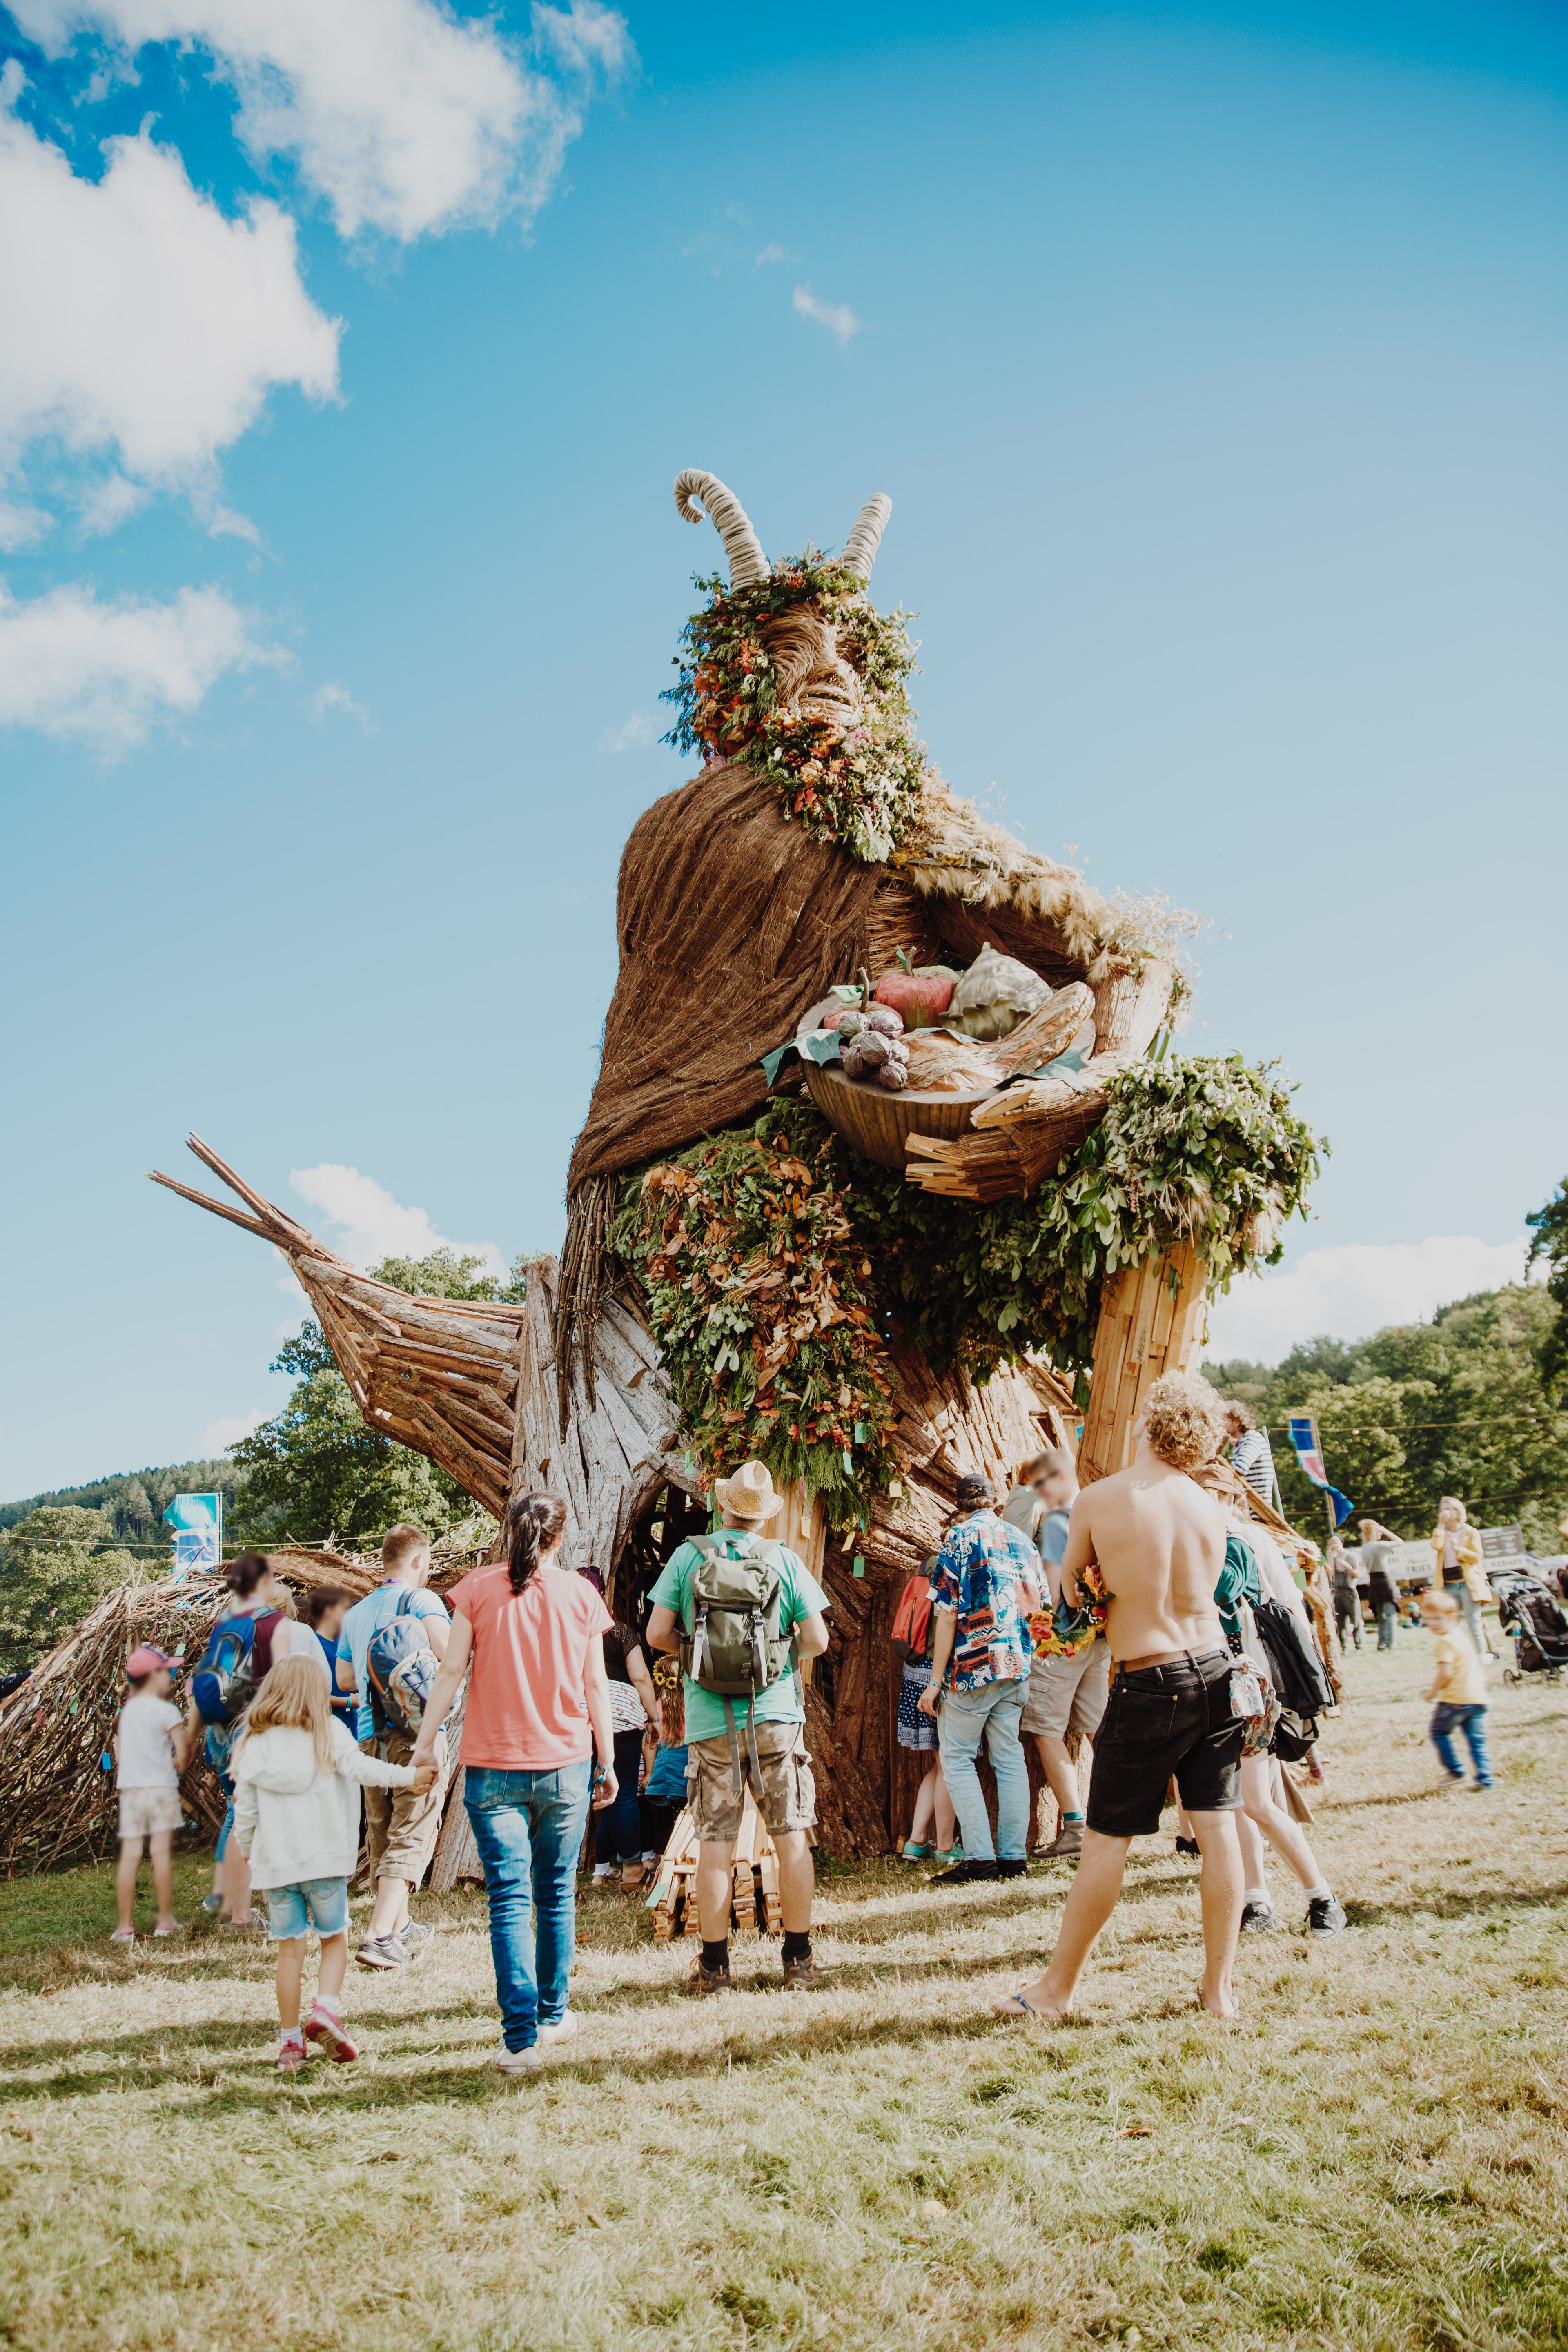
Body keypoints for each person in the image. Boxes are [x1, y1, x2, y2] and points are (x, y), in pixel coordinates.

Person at [993, 1372, 1247, 2024]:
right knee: (1219, 1831)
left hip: (1151, 1679)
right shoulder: (1206, 1504)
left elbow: (1074, 1596)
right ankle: (1219, 1993)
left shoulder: (1100, 1499)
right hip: (1217, 1671)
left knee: (1107, 1842)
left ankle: (1055, 1992)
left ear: (1148, 1422)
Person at [412, 1493, 617, 2070]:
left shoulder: (476, 1588)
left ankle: (519, 2040)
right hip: (565, 1763)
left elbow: (451, 1670)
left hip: (493, 1767)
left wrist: (428, 1740)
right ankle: (552, 2015)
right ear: (559, 1538)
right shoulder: (582, 1594)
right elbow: (596, 1687)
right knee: (555, 1893)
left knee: (509, 1898)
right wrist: (608, 1760)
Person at [644, 1459, 831, 1996]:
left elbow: (657, 1632)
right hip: (775, 1716)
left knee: (716, 1842)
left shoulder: (688, 1557)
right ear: (763, 1516)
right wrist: (773, 1656)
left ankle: (716, 1967)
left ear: (722, 1505)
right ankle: (797, 1961)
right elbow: (817, 1639)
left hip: (708, 1720)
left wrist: (700, 1652)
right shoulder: (783, 1559)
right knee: (791, 1835)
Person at [232, 1656, 435, 2073]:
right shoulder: (330, 1733)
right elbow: (364, 1769)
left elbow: (246, 1811)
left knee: (289, 1952)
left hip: (277, 1867)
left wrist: (250, 1850)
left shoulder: (253, 1742)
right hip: (323, 1862)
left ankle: (290, 2044)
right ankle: (325, 2010)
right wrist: (409, 1778)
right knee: (334, 1940)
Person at [917, 1470, 1041, 1886]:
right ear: (994, 1502)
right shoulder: (1022, 1541)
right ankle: (1013, 1858)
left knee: (956, 1758)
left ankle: (980, 1859)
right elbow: (1038, 1606)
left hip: (973, 1666)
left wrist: (935, 1681)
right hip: (1016, 1663)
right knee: (1009, 1759)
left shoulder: (959, 1539)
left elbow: (947, 1613)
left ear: (960, 1504)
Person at [337, 1524, 452, 1971]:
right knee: (415, 1827)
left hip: (368, 1735)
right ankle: (379, 1936)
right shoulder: (423, 1601)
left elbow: (346, 1680)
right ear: (419, 1560)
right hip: (416, 1733)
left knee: (382, 1827)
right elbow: (449, 1654)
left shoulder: (357, 1612)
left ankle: (400, 1925)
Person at [1224, 1524, 1346, 1938]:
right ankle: (1256, 1901)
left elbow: (1287, 1603)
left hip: (1245, 1688)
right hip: (1199, 1688)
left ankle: (1322, 1897)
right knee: (1236, 1804)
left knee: (1256, 1802)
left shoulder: (1237, 1543)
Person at [1018, 1447, 1107, 1863]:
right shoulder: (1096, 1514)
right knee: (1096, 1727)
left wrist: (1035, 1616)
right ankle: (1118, 1810)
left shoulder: (1056, 1521)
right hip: (1098, 1635)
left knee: (1046, 1729)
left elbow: (1055, 1587)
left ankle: (1074, 1826)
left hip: (1063, 1638)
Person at [198, 1551, 291, 1932]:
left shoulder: (225, 1623)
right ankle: (239, 1915)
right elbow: (283, 1684)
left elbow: (202, 1681)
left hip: (219, 1731)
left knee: (242, 1813)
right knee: (247, 1818)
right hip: (253, 1729)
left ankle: (240, 1908)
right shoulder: (274, 1624)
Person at [578, 1568, 659, 1891]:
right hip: (621, 1716)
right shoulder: (619, 1631)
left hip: (578, 1716)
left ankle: (569, 1875)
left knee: (576, 1796)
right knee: (624, 1793)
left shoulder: (564, 1631)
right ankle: (632, 1870)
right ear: (603, 1594)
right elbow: (640, 1677)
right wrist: (653, 1718)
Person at [111, 1646, 192, 1942]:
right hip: (160, 1789)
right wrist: (177, 1760)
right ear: (153, 1676)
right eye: (166, 1671)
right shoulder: (167, 1711)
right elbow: (182, 1756)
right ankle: (164, 1921)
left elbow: (120, 1756)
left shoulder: (126, 1712)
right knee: (160, 1854)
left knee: (131, 1855)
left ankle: (124, 1926)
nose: (170, 1676)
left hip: (131, 1790)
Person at [890, 1560, 959, 1865]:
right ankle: (945, 1846)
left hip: (915, 1667)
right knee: (949, 1762)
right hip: (940, 1672)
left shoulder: (929, 1563)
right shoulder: (961, 1564)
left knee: (940, 1761)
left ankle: (916, 1841)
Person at [1419, 1588, 1493, 1792]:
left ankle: (1456, 1772)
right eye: (1429, 1619)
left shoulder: (1444, 1642)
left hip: (1455, 1701)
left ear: (1451, 1617)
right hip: (1477, 1700)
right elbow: (1476, 1664)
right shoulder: (1461, 1636)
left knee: (1439, 1732)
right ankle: (1486, 1779)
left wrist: (1432, 1693)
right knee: (1477, 1741)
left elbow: (1445, 1673)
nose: (1432, 1623)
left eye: (1437, 1618)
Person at [638, 1661, 690, 1871]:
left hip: (666, 1768)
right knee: (687, 1815)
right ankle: (684, 1853)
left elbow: (649, 1744)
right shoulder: (691, 1703)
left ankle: (666, 1857)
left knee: (666, 1819)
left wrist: (649, 1773)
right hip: (688, 1767)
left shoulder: (656, 1707)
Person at [1430, 1499, 1493, 1661]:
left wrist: (1460, 1550)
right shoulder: (1442, 1532)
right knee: (1450, 1626)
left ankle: (1481, 1658)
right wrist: (1440, 1524)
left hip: (1468, 1584)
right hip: (1448, 1586)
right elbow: (1436, 1546)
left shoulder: (1471, 1532)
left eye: (1448, 1509)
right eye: (1442, 1510)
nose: (1445, 1513)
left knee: (1474, 1623)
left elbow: (1478, 1557)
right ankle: (1458, 1659)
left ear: (1458, 1513)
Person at [1359, 1521, 1403, 1652]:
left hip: (1373, 1582)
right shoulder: (1379, 1546)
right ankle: (1391, 1644)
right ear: (1374, 1532)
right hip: (1385, 1581)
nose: (1381, 1534)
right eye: (1379, 1532)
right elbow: (1400, 1542)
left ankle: (1381, 1644)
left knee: (1380, 1616)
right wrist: (1386, 1530)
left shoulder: (1365, 1548)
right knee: (1390, 1615)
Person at [1221, 1401, 1273, 1504]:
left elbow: (1240, 1469)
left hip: (1258, 1512)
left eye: (1225, 1419)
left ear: (1237, 1422)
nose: (1222, 1424)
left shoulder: (1252, 1437)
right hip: (1250, 1509)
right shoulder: (1240, 1444)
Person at [1327, 1537, 1364, 1653]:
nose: (1334, 1545)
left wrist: (1347, 1566)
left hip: (1350, 1591)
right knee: (1341, 1621)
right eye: (1332, 1543)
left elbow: (1357, 1574)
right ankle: (1344, 1647)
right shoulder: (1334, 1559)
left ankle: (1359, 1646)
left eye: (1336, 1542)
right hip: (1338, 1592)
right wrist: (1330, 1555)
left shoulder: (1351, 1556)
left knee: (1356, 1619)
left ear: (1342, 1543)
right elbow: (1332, 1573)